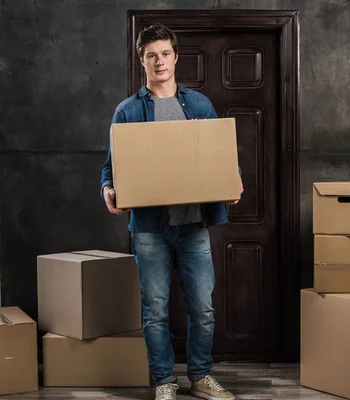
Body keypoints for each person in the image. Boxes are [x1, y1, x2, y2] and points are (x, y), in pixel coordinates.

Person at [100, 23, 243, 400]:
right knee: (156, 311)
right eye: (151, 55)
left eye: (165, 54)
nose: (159, 61)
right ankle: (164, 380)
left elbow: (221, 156)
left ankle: (200, 377)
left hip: (194, 224)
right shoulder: (128, 111)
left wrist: (234, 181)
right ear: (141, 60)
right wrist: (108, 188)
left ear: (175, 57)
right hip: (149, 229)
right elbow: (109, 167)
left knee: (204, 309)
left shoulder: (199, 106)